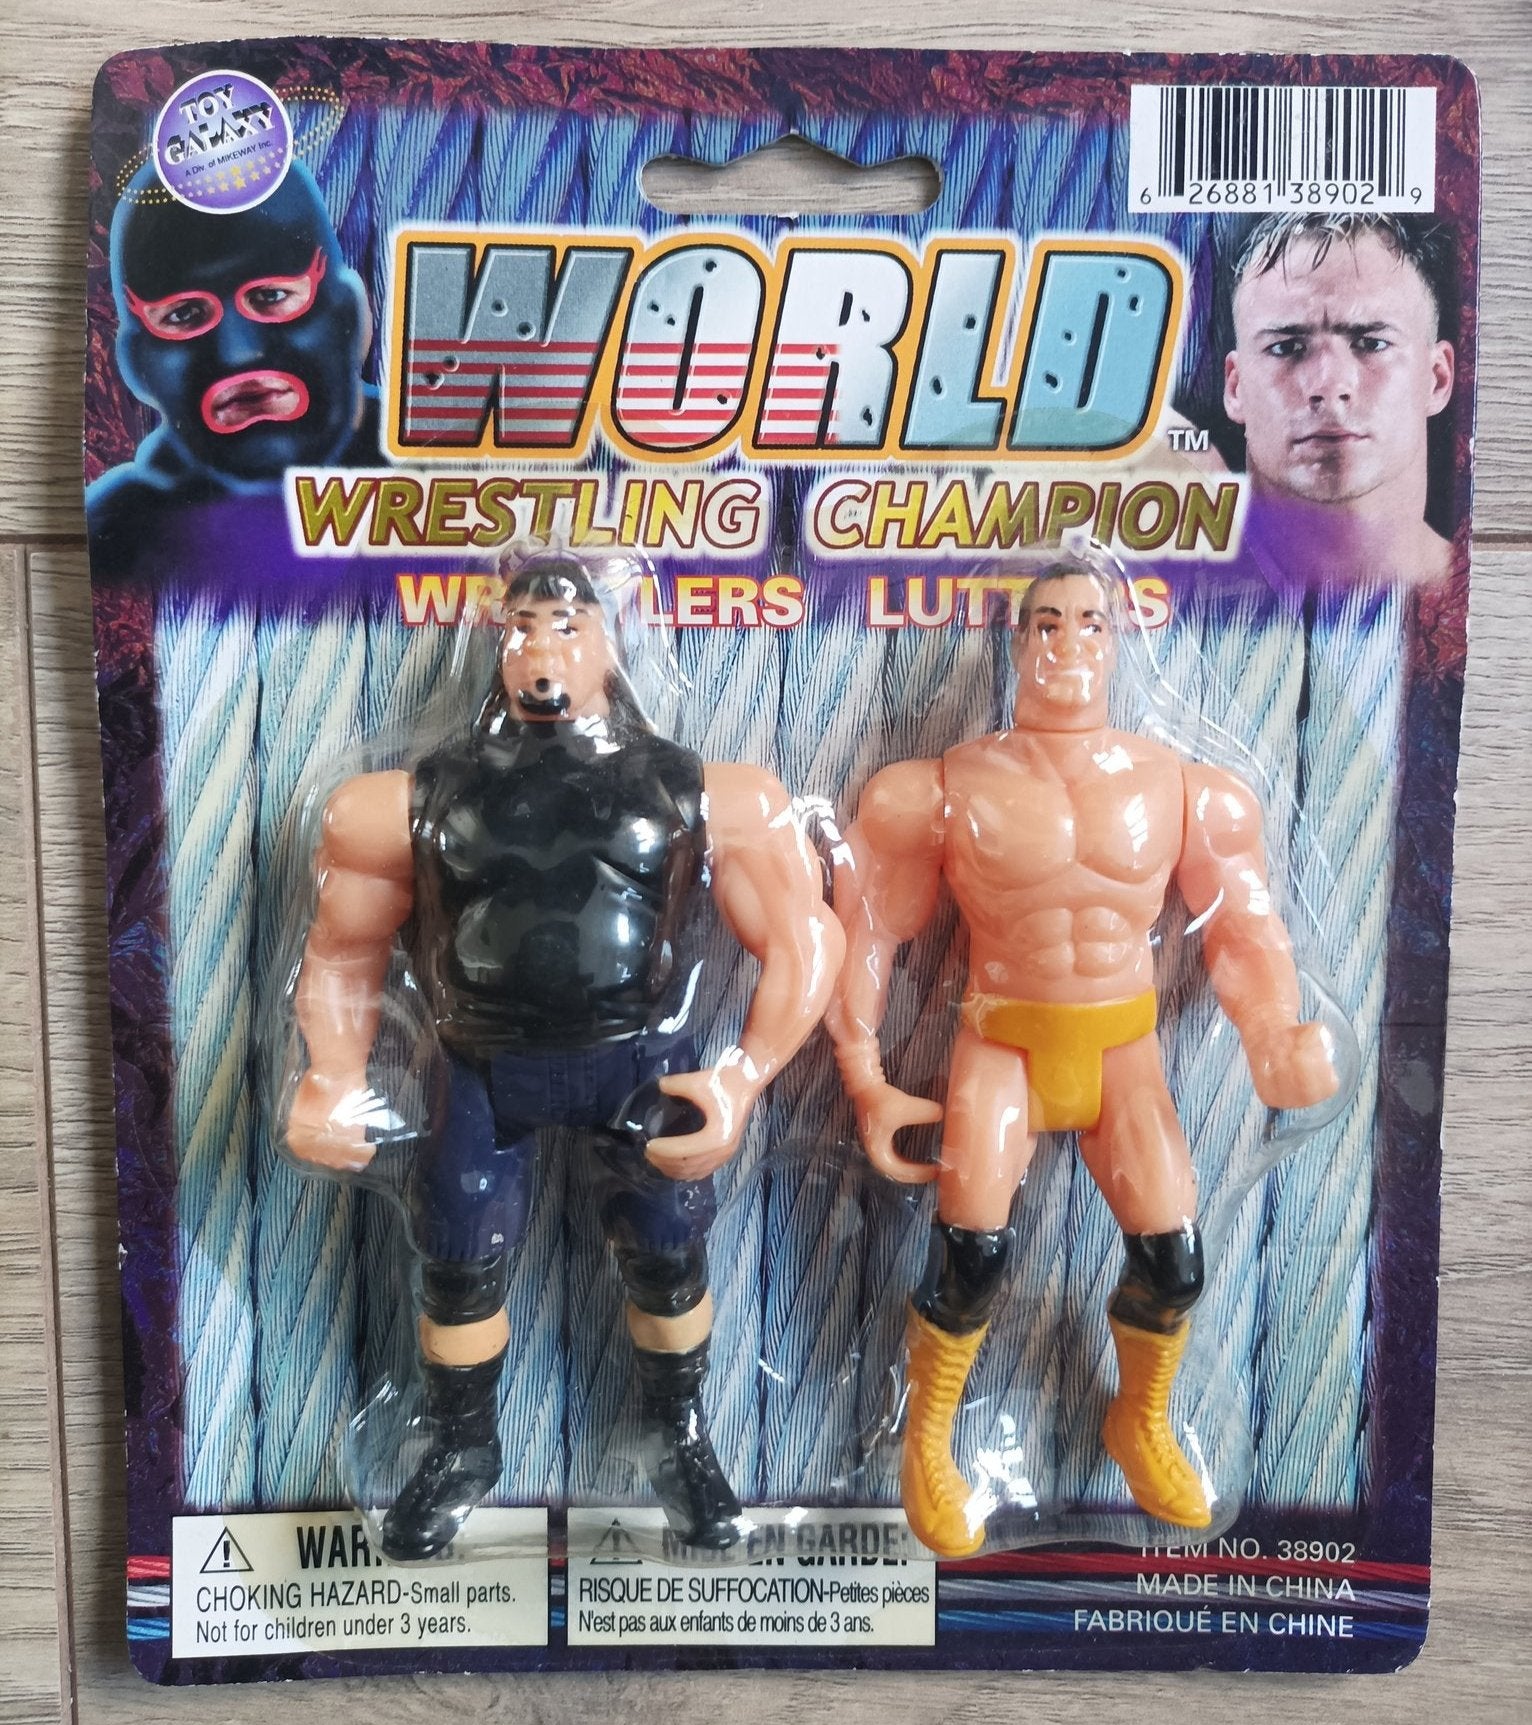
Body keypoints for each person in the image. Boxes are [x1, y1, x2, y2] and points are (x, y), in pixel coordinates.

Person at [285, 552, 843, 1558]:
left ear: (607, 644)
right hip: (479, 1066)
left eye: (568, 626)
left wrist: (741, 1077)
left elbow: (806, 941)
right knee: (457, 1265)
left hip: (642, 1061)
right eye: (524, 627)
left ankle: (679, 1436)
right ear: (498, 644)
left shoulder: (706, 791)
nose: (543, 648)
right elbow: (342, 950)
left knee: (667, 1257)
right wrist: (331, 1075)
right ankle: (461, 1447)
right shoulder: (404, 801)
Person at [827, 561, 1339, 1557]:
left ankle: (1138, 1417)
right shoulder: (942, 788)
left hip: (1121, 1049)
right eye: (1047, 625)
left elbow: (1242, 928)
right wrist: (862, 1072)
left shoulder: (1184, 789)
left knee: (1173, 1261)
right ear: (1016, 641)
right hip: (1000, 1042)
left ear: (1116, 641)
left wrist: (1273, 1032)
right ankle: (925, 1440)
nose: (1067, 644)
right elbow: (870, 932)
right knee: (969, 1257)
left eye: (1089, 625)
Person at [86, 159, 377, 572]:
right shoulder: (117, 542)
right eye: (183, 314)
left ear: (349, 315)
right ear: (137, 364)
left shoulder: (447, 478)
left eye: (272, 296)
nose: (238, 353)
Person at [1222, 212, 1456, 582]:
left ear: (1437, 379)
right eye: (1285, 347)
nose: (1329, 385)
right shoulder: (1150, 594)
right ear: (1236, 388)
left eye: (1372, 343)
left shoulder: (1484, 591)